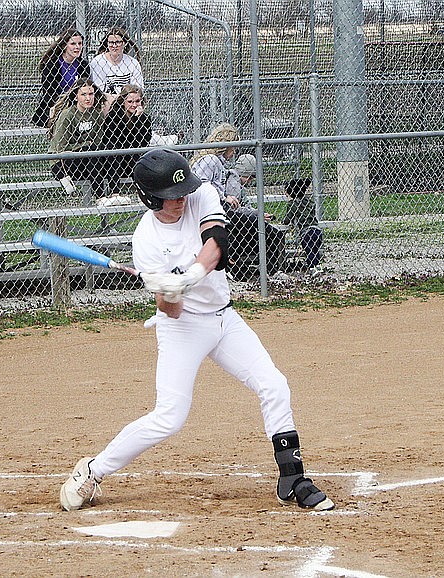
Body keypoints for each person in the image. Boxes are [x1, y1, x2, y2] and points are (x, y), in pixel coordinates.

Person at [59, 148, 334, 513]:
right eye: (172, 197)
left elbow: (217, 244)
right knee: (170, 417)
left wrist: (186, 276)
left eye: (183, 191)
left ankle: (292, 478)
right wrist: (167, 293)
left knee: (274, 385)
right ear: (150, 198)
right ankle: (92, 470)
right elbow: (170, 312)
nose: (182, 199)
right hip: (183, 329)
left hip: (225, 319)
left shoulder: (201, 193)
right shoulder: (146, 241)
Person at [223, 154, 286, 279]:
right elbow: (235, 210)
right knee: (273, 233)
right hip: (233, 221)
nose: (250, 180)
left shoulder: (240, 186)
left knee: (271, 233)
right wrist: (257, 214)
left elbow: (247, 207)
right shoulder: (233, 182)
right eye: (250, 177)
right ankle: (272, 270)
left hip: (242, 221)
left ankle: (272, 269)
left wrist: (259, 214)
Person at [48, 77, 111, 202]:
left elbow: (97, 143)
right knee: (88, 150)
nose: (88, 98)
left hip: (89, 161)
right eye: (83, 94)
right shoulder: (67, 115)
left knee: (103, 150)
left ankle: (115, 193)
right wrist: (83, 145)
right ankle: (100, 197)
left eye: (91, 94)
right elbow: (60, 148)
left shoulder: (97, 114)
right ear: (76, 96)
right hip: (63, 162)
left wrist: (87, 146)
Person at [101, 84, 152, 204]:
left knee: (139, 153)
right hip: (114, 162)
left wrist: (138, 119)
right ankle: (115, 193)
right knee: (114, 149)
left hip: (133, 160)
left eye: (137, 101)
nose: (134, 105)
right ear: (123, 101)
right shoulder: (114, 116)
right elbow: (114, 139)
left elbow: (143, 141)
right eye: (130, 101)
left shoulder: (144, 118)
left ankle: (144, 193)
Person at [31, 28, 91, 128]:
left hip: (78, 105)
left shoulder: (83, 65)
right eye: (73, 44)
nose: (77, 47)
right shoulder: (52, 65)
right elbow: (49, 94)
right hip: (57, 105)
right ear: (64, 46)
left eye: (80, 43)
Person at [89, 27, 144, 112]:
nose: (114, 46)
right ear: (107, 43)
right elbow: (99, 91)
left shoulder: (133, 63)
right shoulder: (98, 62)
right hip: (106, 104)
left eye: (118, 42)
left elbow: (138, 90)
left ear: (124, 43)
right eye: (111, 42)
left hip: (128, 104)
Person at [283, 177, 323, 270]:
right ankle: (317, 267)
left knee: (309, 251)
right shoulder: (309, 201)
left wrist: (285, 222)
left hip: (306, 233)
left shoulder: (292, 204)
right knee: (314, 251)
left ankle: (313, 268)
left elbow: (288, 219)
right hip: (316, 230)